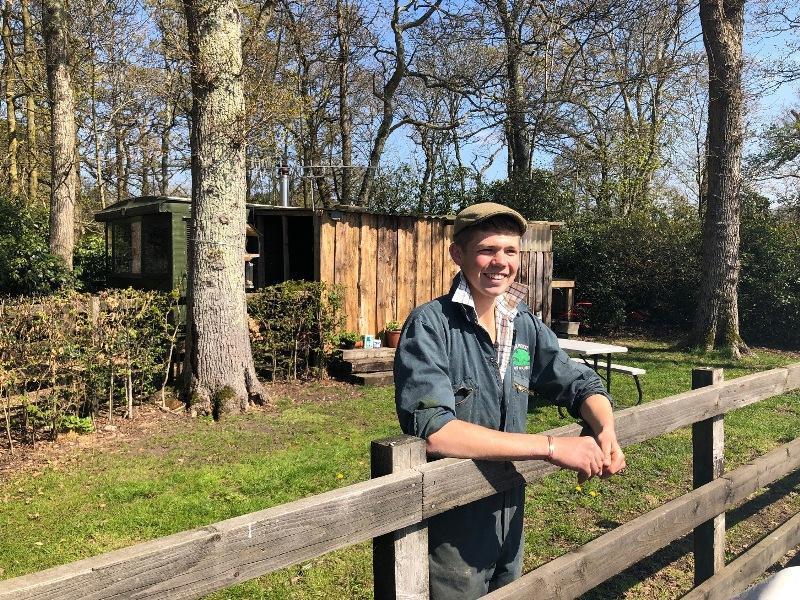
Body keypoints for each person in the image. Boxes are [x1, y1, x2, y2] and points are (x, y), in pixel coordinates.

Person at [394, 202, 626, 599]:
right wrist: (552, 447)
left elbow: (580, 382)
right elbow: (435, 431)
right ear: (458, 254)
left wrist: (605, 429)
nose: (500, 262)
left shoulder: (523, 324)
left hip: (509, 514)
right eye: (487, 250)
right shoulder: (431, 324)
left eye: (511, 251)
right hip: (453, 517)